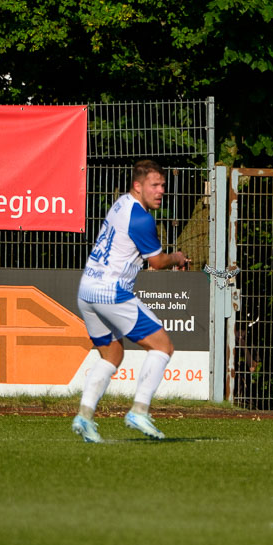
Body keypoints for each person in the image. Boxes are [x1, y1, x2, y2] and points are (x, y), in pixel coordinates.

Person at [71, 159, 190, 443]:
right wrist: (178, 257)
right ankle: (138, 411)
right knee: (163, 345)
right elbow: (158, 262)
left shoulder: (122, 203)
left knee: (112, 355)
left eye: (162, 185)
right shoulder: (141, 218)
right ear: (137, 186)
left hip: (87, 290)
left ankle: (84, 417)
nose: (161, 190)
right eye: (154, 185)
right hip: (110, 291)